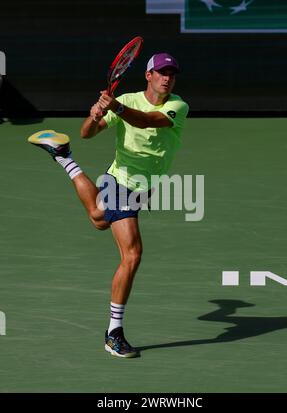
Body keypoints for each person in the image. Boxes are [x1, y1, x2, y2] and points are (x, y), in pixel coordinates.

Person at [28, 52, 189, 358]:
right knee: (132, 255)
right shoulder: (127, 99)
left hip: (142, 187)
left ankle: (63, 156)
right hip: (121, 182)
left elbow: (145, 120)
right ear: (149, 76)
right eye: (162, 72)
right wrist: (96, 113)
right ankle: (114, 333)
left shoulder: (177, 106)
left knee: (99, 218)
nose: (167, 78)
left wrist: (114, 105)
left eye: (172, 73)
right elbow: (87, 133)